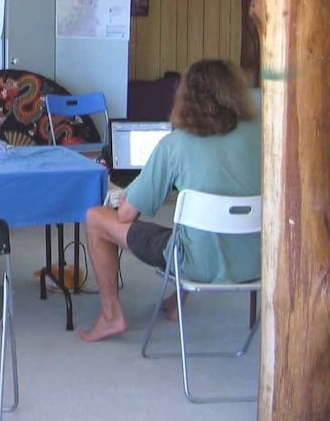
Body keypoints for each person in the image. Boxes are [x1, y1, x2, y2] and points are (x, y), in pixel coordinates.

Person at [77, 59, 261, 342]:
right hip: (256, 262)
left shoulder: (174, 145)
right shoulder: (261, 136)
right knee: (195, 225)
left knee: (96, 218)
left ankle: (111, 316)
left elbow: (126, 215)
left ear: (185, 98)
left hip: (198, 264)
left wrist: (129, 194)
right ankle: (175, 303)